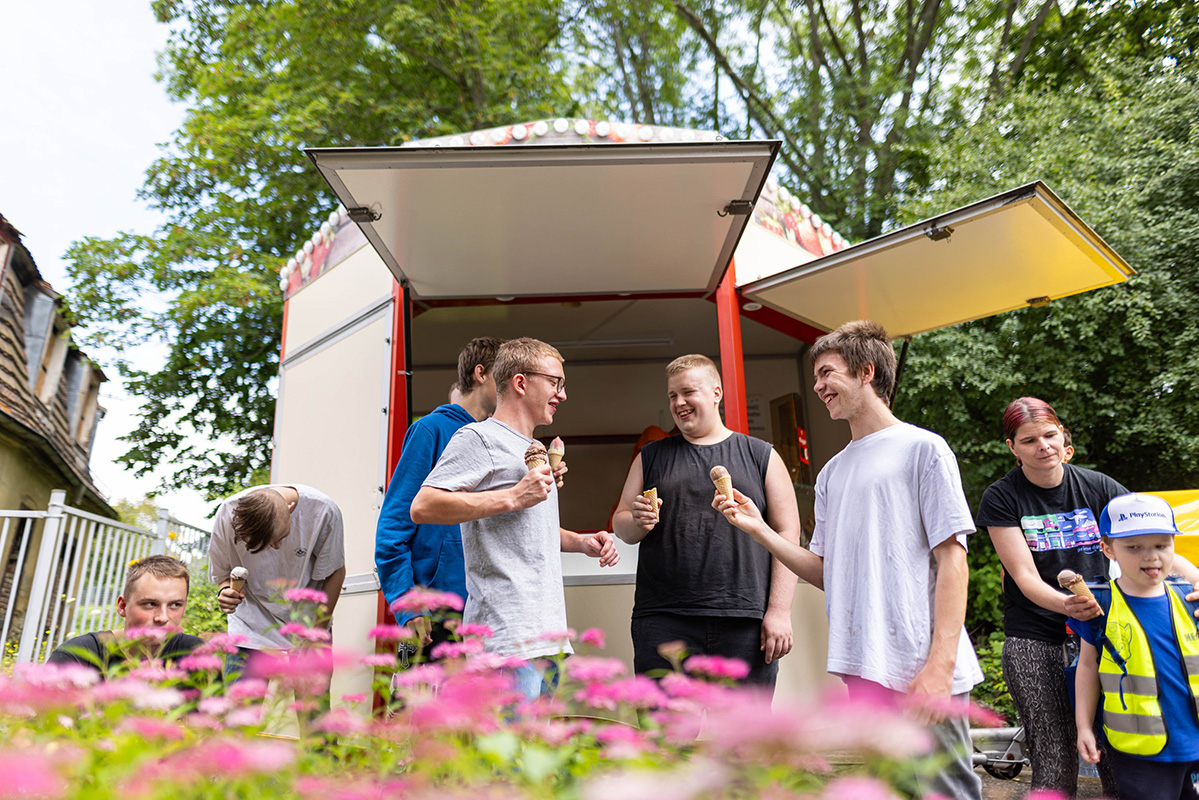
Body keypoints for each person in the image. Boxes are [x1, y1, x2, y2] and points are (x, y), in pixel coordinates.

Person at [713, 320, 983, 800]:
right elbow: (823, 572)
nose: (817, 386)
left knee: (947, 790)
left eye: (826, 373)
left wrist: (940, 665)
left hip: (922, 663)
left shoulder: (924, 449)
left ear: (867, 372)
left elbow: (953, 561)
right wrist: (760, 530)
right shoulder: (832, 474)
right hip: (863, 665)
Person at [411, 337, 620, 700]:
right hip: (505, 639)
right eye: (556, 382)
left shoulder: (529, 449)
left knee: (534, 754)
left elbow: (527, 529)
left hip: (547, 636)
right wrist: (512, 496)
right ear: (521, 383)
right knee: (508, 759)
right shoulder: (479, 437)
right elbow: (424, 505)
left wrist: (581, 543)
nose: (563, 394)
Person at [976, 397, 1136, 795]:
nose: (1043, 446)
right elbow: (1025, 577)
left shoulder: (1100, 486)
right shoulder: (1001, 497)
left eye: (1049, 435)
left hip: (1102, 634)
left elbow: (1148, 544)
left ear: (1063, 435)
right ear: (1013, 447)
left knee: (1121, 752)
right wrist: (1067, 605)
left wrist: (1193, 576)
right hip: (1035, 633)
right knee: (1054, 757)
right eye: (1029, 440)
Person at [612, 354, 800, 688]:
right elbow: (621, 524)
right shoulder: (651, 456)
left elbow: (788, 532)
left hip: (744, 620)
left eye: (687, 392)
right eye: (672, 395)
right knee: (667, 739)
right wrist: (637, 522)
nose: (679, 403)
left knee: (746, 738)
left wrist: (780, 610)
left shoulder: (761, 455)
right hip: (664, 621)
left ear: (716, 393)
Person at [375, 336, 503, 651]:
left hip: (489, 612)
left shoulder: (499, 438)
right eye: (506, 375)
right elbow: (393, 525)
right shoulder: (430, 430)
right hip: (435, 614)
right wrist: (408, 604)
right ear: (480, 373)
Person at [1072, 493, 1199, 800]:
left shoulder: (1191, 598)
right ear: (1107, 548)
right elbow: (1087, 667)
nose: (1151, 557)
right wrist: (1084, 728)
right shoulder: (1099, 605)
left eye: (1161, 545)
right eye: (1134, 547)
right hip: (1142, 754)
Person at [208, 484, 346, 679]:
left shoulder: (323, 511)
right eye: (266, 544)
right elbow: (222, 571)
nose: (277, 546)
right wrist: (225, 592)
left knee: (312, 707)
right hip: (250, 624)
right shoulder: (227, 513)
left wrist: (317, 632)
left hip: (308, 620)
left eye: (281, 537)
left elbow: (335, 572)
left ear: (290, 510)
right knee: (242, 707)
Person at [47, 555, 203, 671]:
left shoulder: (197, 654)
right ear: (122, 606)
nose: (162, 617)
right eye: (150, 604)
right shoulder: (78, 655)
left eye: (175, 605)